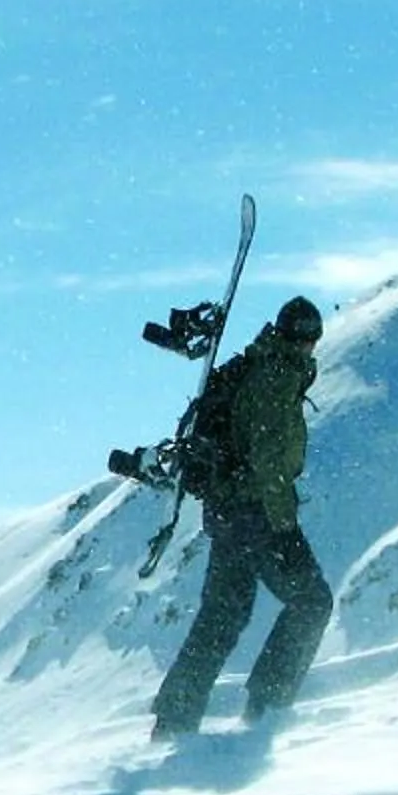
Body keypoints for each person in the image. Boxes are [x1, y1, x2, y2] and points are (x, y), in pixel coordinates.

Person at [151, 293, 336, 738]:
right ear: (307, 339)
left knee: (224, 614)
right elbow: (269, 458)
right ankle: (267, 707)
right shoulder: (275, 377)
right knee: (312, 602)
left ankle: (174, 720)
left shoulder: (257, 366)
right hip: (257, 514)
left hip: (227, 510)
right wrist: (282, 525)